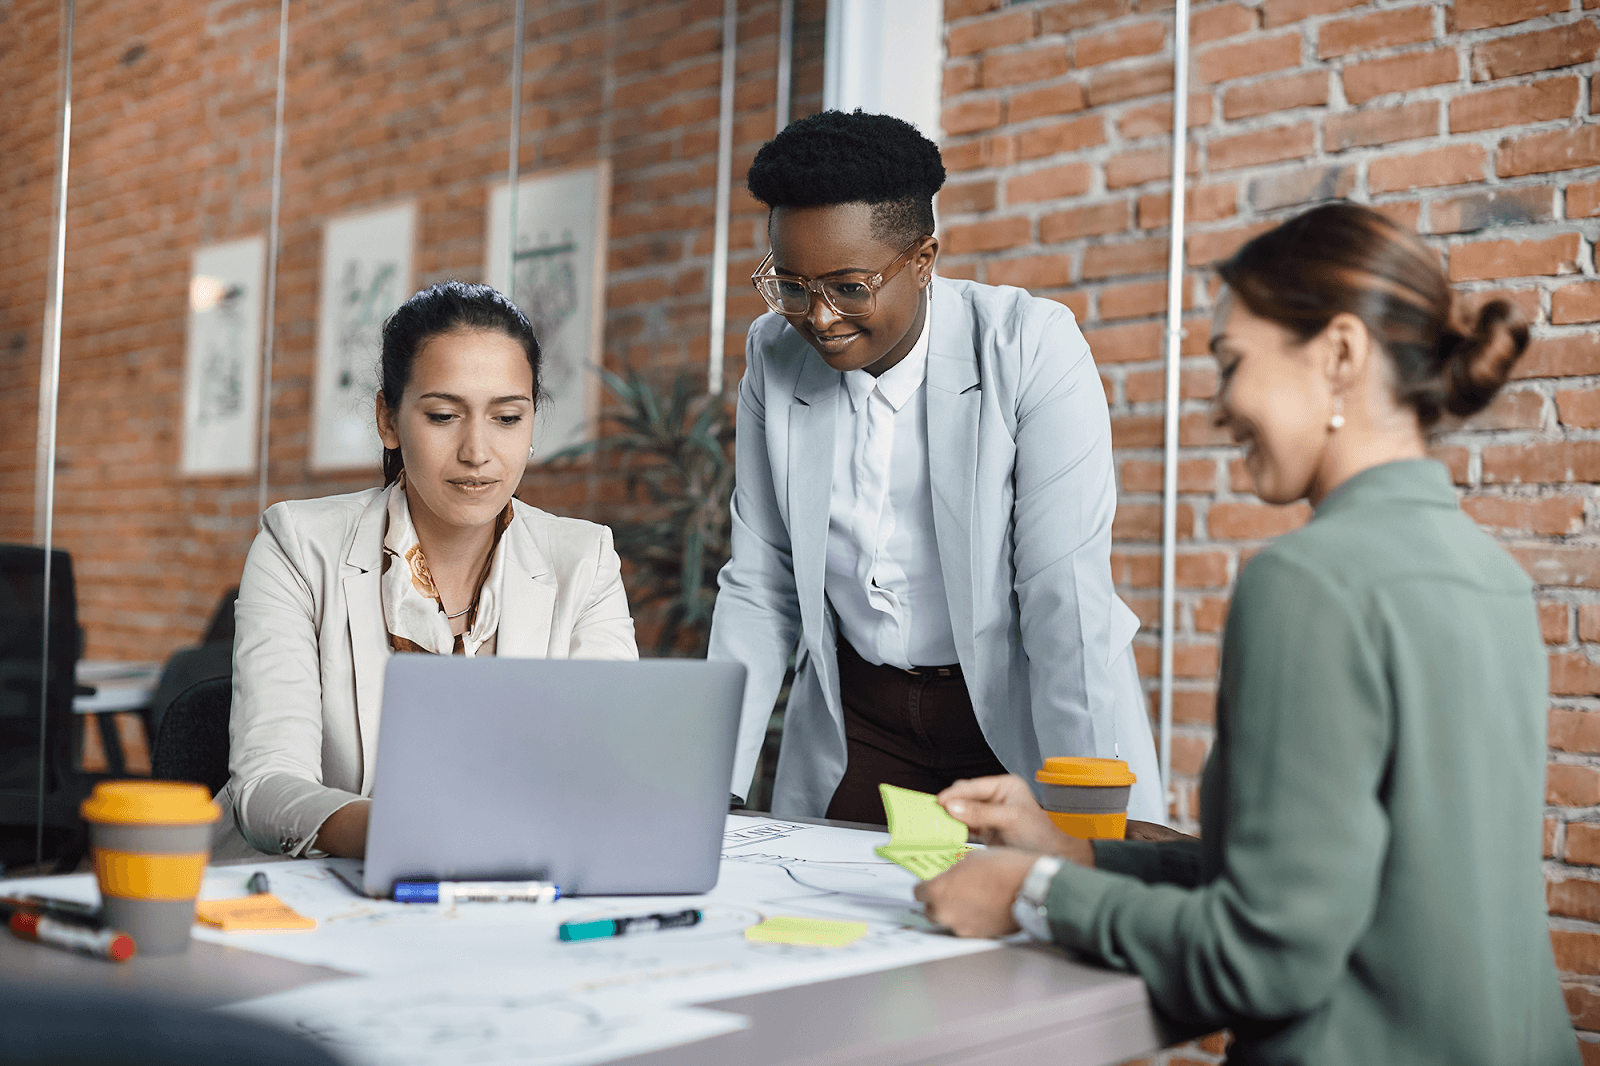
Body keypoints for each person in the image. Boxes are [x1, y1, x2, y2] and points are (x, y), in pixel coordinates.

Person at [915, 203, 1579, 1065]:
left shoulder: (1308, 583)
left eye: (1232, 365)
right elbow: (1315, 885)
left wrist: (1033, 897)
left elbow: (1266, 955)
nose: (1222, 406)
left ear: (1340, 353)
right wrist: (1072, 853)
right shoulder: (1493, 576)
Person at [707, 110, 1162, 825]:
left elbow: (1062, 596)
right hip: (865, 723)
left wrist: (1087, 821)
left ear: (923, 261)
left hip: (1014, 714)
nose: (819, 318)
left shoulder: (1030, 347)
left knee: (1034, 918)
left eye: (849, 286)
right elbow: (761, 585)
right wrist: (712, 783)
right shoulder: (774, 356)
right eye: (792, 285)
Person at [222, 281, 637, 859]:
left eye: (507, 418)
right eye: (443, 416)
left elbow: (606, 770)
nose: (477, 451)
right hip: (319, 895)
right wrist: (405, 835)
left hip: (510, 889)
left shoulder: (584, 561)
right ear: (388, 421)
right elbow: (266, 786)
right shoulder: (297, 545)